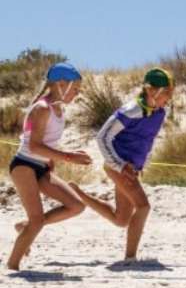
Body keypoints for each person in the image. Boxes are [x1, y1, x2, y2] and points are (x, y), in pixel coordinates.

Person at [8, 64, 118, 271]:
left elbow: (44, 143)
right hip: (24, 165)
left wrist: (54, 158)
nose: (77, 93)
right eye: (75, 88)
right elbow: (33, 145)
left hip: (41, 166)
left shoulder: (58, 109)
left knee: (76, 206)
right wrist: (68, 157)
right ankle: (12, 266)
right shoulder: (42, 108)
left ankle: (25, 227)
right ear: (61, 84)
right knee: (37, 219)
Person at [92, 67, 175, 262]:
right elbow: (102, 137)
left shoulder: (160, 112)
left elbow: (149, 139)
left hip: (132, 168)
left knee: (121, 219)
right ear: (150, 90)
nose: (169, 98)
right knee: (143, 207)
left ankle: (78, 193)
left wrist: (143, 164)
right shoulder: (131, 110)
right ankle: (130, 258)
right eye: (166, 93)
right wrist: (119, 165)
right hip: (119, 166)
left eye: (171, 93)